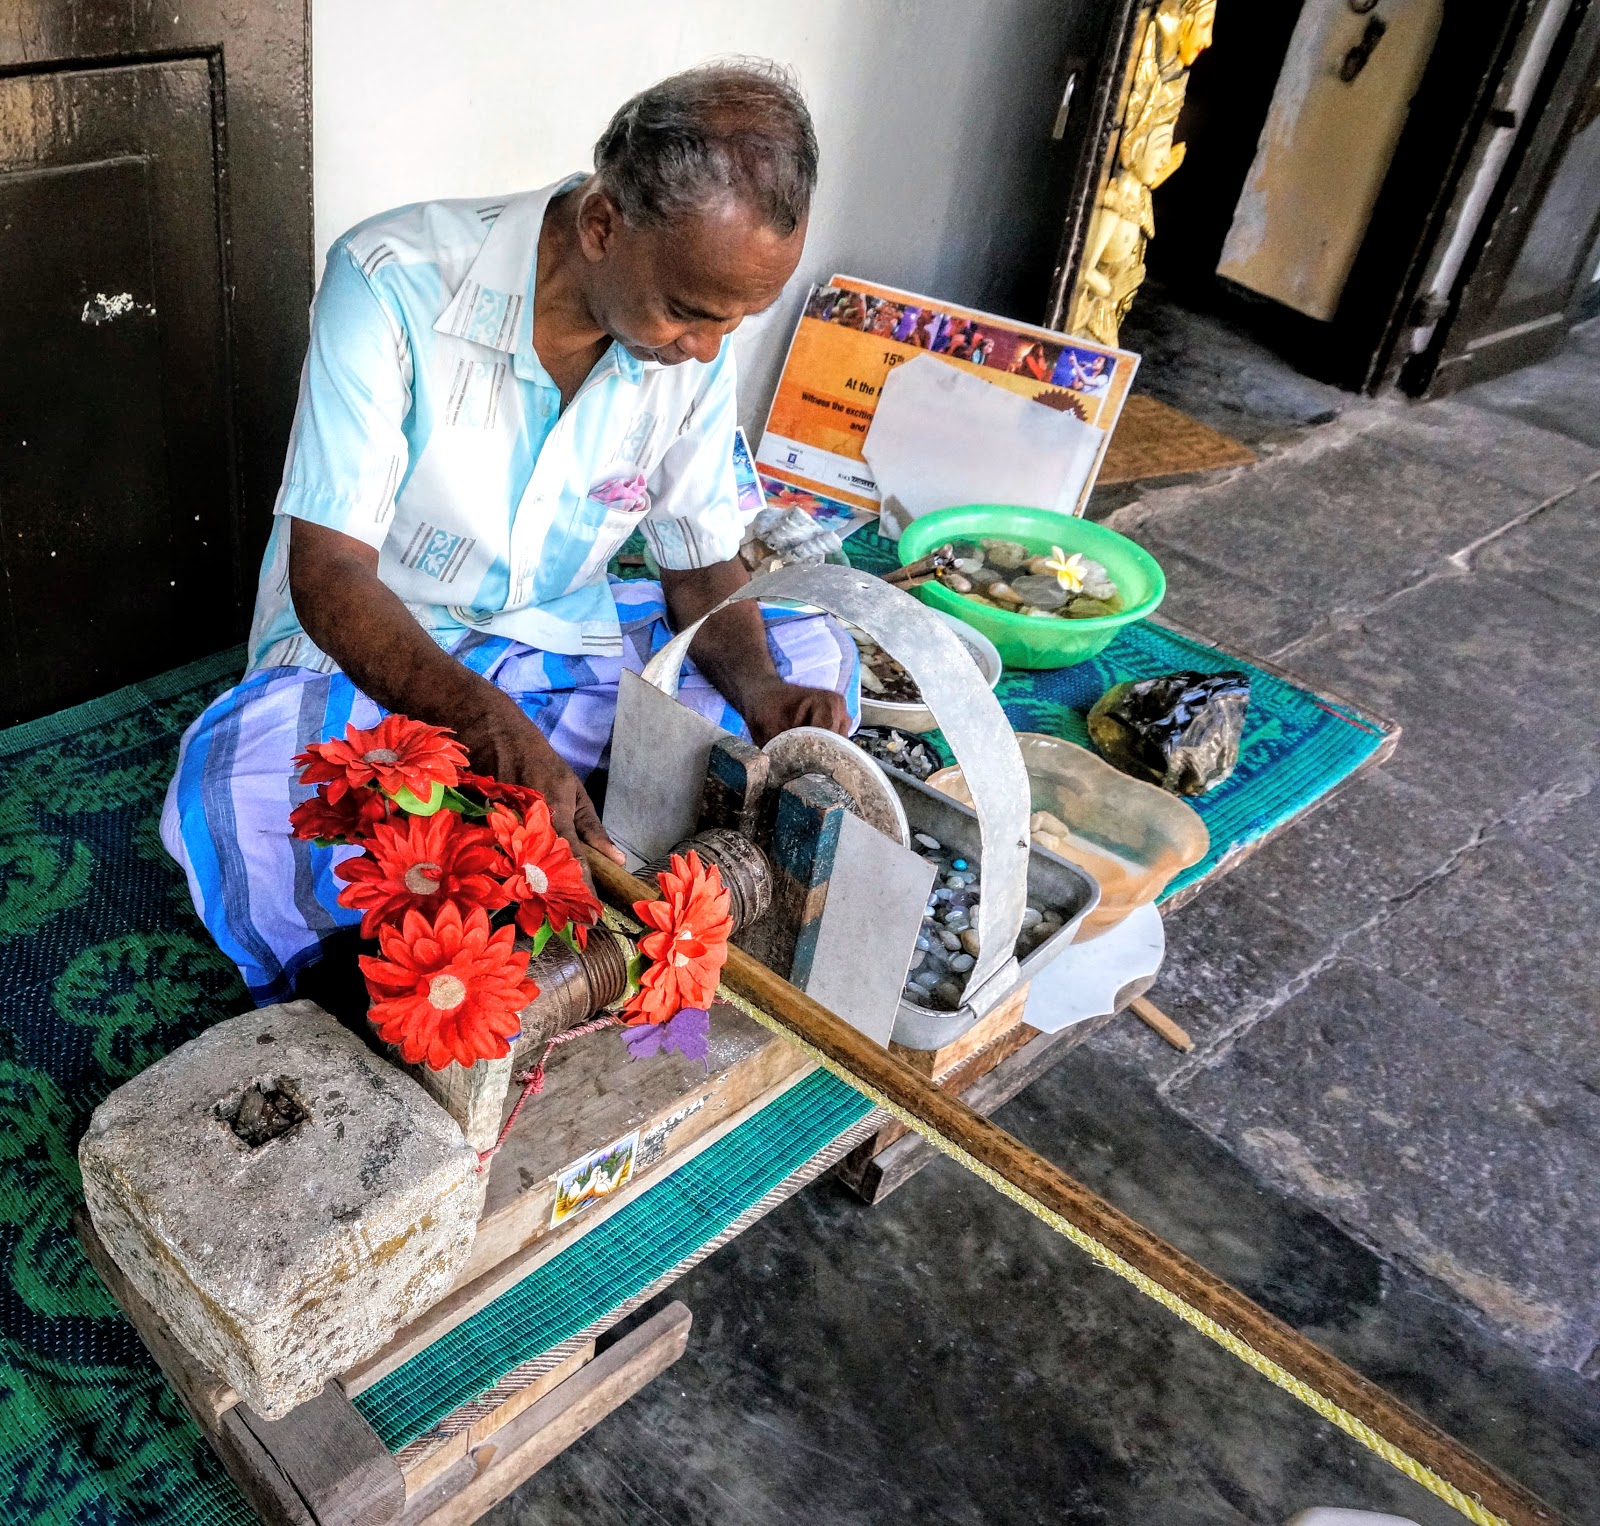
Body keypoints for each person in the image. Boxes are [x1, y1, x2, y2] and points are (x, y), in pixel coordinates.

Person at [163, 62, 858, 1003]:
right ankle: (512, 867)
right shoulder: (390, 281)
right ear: (603, 225)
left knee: (817, 647)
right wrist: (492, 730)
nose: (708, 346)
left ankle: (518, 841)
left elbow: (699, 568)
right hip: (374, 663)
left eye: (738, 320)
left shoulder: (695, 340)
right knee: (236, 791)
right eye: (693, 313)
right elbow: (328, 576)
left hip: (558, 642)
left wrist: (769, 693)